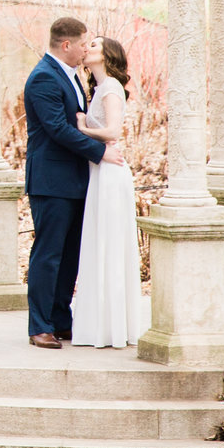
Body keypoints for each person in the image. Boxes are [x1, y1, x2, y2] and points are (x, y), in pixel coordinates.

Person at [23, 15, 121, 349]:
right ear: (67, 45)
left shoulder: (72, 77)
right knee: (48, 254)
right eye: (82, 44)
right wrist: (100, 152)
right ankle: (39, 326)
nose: (85, 50)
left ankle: (61, 319)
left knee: (69, 256)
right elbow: (57, 129)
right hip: (51, 181)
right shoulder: (43, 78)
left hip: (77, 179)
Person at [69, 35, 144, 347]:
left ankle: (112, 328)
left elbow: (113, 132)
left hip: (111, 172)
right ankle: (98, 324)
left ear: (108, 55)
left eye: (95, 46)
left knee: (110, 246)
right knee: (98, 245)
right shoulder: (98, 89)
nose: (88, 48)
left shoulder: (112, 86)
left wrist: (81, 127)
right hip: (99, 171)